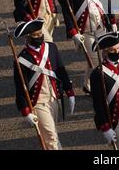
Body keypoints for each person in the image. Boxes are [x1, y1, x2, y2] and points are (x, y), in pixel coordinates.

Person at [13, 18, 75, 150]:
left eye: (40, 33)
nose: (39, 37)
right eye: (35, 35)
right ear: (27, 37)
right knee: (51, 137)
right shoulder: (22, 59)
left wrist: (70, 92)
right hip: (38, 102)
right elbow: (20, 88)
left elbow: (61, 70)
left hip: (54, 98)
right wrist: (26, 111)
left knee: (51, 136)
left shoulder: (51, 48)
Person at [62, 0, 117, 94]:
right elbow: (68, 13)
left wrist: (113, 21)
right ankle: (100, 89)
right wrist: (73, 33)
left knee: (99, 58)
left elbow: (106, 2)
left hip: (101, 27)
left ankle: (87, 84)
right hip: (84, 31)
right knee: (96, 62)